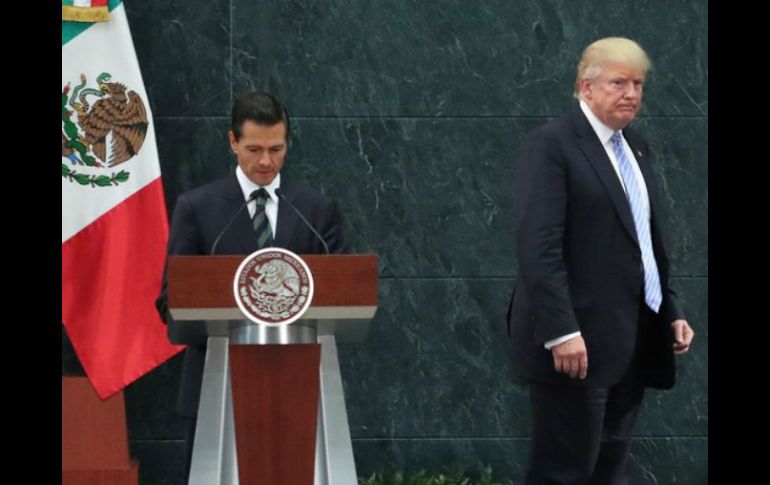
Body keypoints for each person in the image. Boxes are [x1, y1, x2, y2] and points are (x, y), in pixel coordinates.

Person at [505, 37, 695, 485]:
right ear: (586, 87)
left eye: (638, 84)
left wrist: (670, 309)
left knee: (609, 470)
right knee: (564, 472)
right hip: (576, 345)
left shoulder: (635, 147)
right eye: (618, 83)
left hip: (631, 339)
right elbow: (539, 245)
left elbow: (644, 239)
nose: (631, 94)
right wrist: (561, 331)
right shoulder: (553, 144)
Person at [155, 91, 346, 482]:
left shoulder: (315, 211)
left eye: (276, 149)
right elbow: (170, 300)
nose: (266, 162)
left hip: (298, 388)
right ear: (233, 141)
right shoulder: (198, 208)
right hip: (216, 386)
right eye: (254, 149)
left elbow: (342, 294)